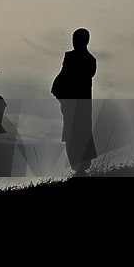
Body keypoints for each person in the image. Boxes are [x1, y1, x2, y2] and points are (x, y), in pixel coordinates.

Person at [51, 28, 97, 176]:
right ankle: (77, 166)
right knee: (71, 135)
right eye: (73, 39)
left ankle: (81, 166)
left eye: (76, 39)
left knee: (80, 133)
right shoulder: (70, 57)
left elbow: (74, 76)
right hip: (70, 103)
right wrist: (58, 90)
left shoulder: (89, 61)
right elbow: (62, 75)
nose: (74, 42)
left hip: (81, 104)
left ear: (85, 41)